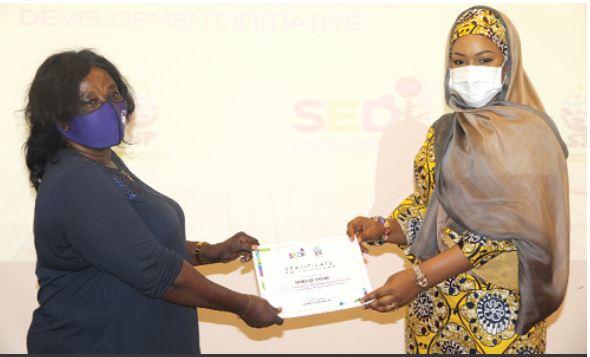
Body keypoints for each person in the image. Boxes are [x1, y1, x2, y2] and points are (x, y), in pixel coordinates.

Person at [24, 49, 283, 354]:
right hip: (94, 344)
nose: (107, 107)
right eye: (89, 101)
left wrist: (207, 252)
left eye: (113, 94)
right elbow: (159, 272)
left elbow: (133, 241)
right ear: (60, 119)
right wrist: (245, 305)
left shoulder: (104, 163)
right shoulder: (75, 179)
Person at [347, 6, 569, 354]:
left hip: (497, 319)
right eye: (458, 61)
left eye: (484, 60)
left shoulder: (532, 137)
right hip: (433, 314)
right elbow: (429, 208)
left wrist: (419, 277)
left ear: (507, 65)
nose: (469, 72)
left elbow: (502, 232)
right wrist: (384, 228)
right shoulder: (445, 130)